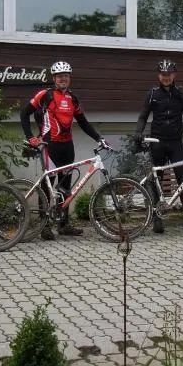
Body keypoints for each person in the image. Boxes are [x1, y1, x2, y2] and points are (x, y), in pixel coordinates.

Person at [20, 60, 107, 239]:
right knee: (48, 185)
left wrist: (99, 138)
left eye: (66, 76)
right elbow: (24, 114)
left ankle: (63, 224)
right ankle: (44, 226)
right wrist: (30, 137)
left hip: (67, 147)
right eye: (60, 76)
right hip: (49, 146)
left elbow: (83, 122)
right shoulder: (45, 95)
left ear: (70, 78)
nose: (63, 79)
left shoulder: (73, 98)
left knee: (66, 186)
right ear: (54, 78)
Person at [134, 59, 183, 235]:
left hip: (176, 143)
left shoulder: (182, 93)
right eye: (163, 74)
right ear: (158, 75)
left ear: (174, 75)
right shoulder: (152, 94)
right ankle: (157, 219)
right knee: (157, 181)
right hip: (158, 142)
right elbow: (142, 116)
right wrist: (138, 132)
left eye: (169, 74)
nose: (166, 77)